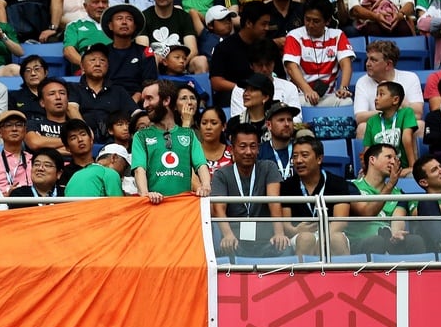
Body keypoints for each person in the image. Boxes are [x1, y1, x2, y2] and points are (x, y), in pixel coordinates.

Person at [333, 142, 426, 255]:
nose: (393, 161)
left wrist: (396, 233)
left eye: (395, 158)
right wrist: (390, 185)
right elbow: (366, 212)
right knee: (377, 241)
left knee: (415, 241)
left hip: (389, 241)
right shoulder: (351, 186)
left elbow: (398, 218)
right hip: (359, 243)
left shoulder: (398, 193)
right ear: (372, 159)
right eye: (388, 157)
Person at [211, 122, 286, 257]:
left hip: (266, 241)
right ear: (232, 149)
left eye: (253, 146)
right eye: (242, 146)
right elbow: (218, 209)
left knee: (284, 248)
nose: (248, 152)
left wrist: (279, 233)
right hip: (235, 241)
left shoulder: (269, 167)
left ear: (258, 149)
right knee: (222, 252)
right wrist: (227, 235)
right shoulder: (221, 174)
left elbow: (274, 201)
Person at [276, 132, 349, 257]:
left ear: (319, 159)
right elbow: (286, 223)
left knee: (336, 239)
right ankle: (301, 277)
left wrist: (323, 237)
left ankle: (346, 276)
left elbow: (341, 221)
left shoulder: (338, 182)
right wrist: (295, 230)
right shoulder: (287, 185)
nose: (298, 161)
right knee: (306, 239)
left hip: (331, 231)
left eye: (304, 155)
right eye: (295, 156)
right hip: (299, 235)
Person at [131, 97, 210, 203]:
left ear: (166, 101)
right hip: (154, 205)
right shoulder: (141, 136)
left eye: (150, 98)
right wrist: (145, 194)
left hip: (184, 207)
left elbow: (201, 165)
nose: (145, 105)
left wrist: (205, 186)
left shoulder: (189, 134)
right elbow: (139, 169)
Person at [282, 0, 355, 106]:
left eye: (316, 21)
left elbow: (346, 64)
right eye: (307, 19)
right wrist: (308, 91)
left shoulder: (337, 35)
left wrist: (343, 88)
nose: (310, 25)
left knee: (346, 102)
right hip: (302, 96)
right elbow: (292, 68)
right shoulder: (294, 36)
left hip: (328, 96)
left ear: (327, 21)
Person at [210, 1, 273, 109]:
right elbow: (216, 82)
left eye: (268, 24)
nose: (267, 28)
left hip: (266, 97)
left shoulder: (268, 46)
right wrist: (245, 89)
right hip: (233, 98)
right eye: (263, 24)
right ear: (249, 23)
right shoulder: (224, 48)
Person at [70, 43, 135, 140]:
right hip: (82, 140)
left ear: (108, 66)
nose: (97, 64)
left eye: (102, 60)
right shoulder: (73, 88)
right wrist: (85, 132)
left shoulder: (118, 91)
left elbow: (135, 113)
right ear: (82, 66)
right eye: (92, 60)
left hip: (114, 143)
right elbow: (71, 109)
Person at [361, 80, 419, 175]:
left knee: (412, 176)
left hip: (402, 169)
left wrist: (412, 167)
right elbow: (368, 150)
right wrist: (367, 168)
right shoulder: (372, 121)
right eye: (376, 95)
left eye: (381, 94)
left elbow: (407, 138)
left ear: (395, 100)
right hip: (379, 171)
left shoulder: (406, 113)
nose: (376, 98)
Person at [100, 3, 155, 100]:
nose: (124, 22)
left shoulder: (145, 52)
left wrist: (134, 101)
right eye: (119, 18)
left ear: (134, 27)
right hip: (107, 100)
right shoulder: (102, 53)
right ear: (110, 26)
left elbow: (150, 82)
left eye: (129, 19)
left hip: (138, 102)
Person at [64, 143, 129, 197]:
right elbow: (118, 205)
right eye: (125, 166)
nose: (123, 174)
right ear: (114, 158)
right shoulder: (110, 173)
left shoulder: (76, 174)